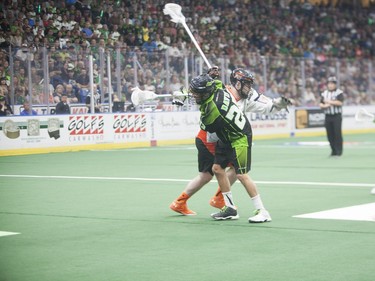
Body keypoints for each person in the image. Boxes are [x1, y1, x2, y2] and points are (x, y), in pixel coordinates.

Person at [170, 68, 291, 222]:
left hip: (232, 136)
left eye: (249, 84)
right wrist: (184, 93)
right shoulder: (220, 90)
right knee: (212, 173)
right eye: (246, 84)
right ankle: (219, 203)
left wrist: (277, 104)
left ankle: (237, 205)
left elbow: (267, 106)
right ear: (237, 84)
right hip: (210, 139)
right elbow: (197, 89)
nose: (249, 88)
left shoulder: (235, 94)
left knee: (233, 172)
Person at [319, 76, 344, 157]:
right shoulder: (324, 93)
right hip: (328, 116)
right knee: (330, 134)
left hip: (336, 116)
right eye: (329, 83)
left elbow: (340, 103)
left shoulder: (339, 92)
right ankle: (333, 151)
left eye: (332, 83)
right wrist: (325, 106)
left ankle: (339, 151)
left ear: (335, 85)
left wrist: (329, 102)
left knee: (337, 134)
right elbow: (321, 104)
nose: (330, 85)